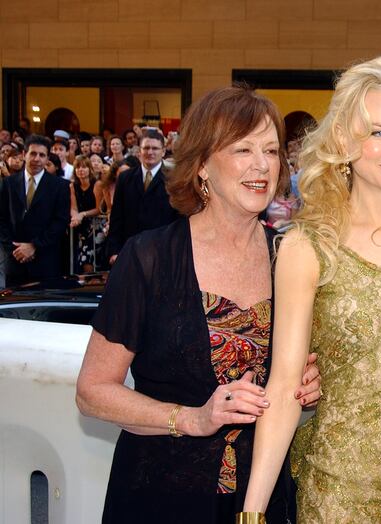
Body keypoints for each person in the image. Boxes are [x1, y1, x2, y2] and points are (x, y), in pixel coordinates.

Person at [75, 86, 321, 524]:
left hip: (260, 499)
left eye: (270, 150)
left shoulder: (290, 259)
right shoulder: (149, 257)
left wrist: (306, 388)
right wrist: (193, 418)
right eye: (243, 148)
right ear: (203, 163)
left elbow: (289, 386)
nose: (262, 165)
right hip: (160, 499)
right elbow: (93, 393)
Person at [243, 56, 381, 523]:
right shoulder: (308, 245)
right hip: (338, 493)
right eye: (379, 132)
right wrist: (252, 513)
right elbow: (283, 387)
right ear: (343, 139)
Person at [0, 134, 70, 285]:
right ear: (24, 155)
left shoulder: (60, 186)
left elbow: (60, 222)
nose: (37, 159)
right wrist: (15, 249)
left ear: (47, 159)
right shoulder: (8, 184)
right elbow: (1, 220)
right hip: (15, 261)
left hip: (46, 262)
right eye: (33, 153)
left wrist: (34, 246)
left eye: (42, 155)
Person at [106, 129, 179, 264]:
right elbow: (117, 216)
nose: (150, 152)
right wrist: (114, 250)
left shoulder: (174, 180)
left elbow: (179, 219)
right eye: (146, 148)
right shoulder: (125, 178)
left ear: (163, 151)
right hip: (130, 251)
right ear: (139, 151)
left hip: (163, 253)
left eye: (155, 148)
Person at [69, 155, 104, 272]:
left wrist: (82, 214)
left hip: (97, 224)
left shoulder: (97, 184)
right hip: (81, 225)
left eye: (84, 167)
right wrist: (75, 217)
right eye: (78, 167)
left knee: (87, 255)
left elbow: (98, 209)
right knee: (80, 255)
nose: (81, 170)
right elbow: (73, 207)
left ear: (90, 169)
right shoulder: (72, 186)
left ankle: (91, 281)